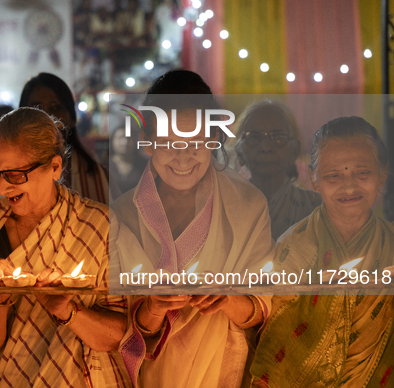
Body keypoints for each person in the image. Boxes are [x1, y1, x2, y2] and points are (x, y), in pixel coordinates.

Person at [111, 69, 274, 388]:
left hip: (220, 373)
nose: (183, 157)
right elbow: (119, 329)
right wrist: (154, 309)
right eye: (169, 141)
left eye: (197, 141)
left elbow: (263, 307)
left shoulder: (248, 205)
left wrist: (227, 299)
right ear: (147, 142)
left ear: (214, 138)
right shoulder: (121, 215)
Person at [0, 107, 131, 387]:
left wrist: (68, 311)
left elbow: (119, 335)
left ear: (55, 167)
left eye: (15, 175)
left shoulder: (98, 226)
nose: (2, 188)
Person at [250, 117, 394, 387]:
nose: (349, 186)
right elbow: (278, 339)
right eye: (333, 175)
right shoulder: (295, 247)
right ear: (313, 178)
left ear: (383, 173)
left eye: (362, 173)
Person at [0, 73, 113, 205]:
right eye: (36, 109)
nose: (47, 117)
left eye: (56, 107)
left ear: (72, 119)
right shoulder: (3, 182)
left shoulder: (102, 178)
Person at [234, 100, 321, 240]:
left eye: (278, 137)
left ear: (295, 150)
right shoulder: (226, 207)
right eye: (254, 137)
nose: (266, 147)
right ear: (239, 152)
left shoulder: (317, 209)